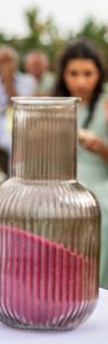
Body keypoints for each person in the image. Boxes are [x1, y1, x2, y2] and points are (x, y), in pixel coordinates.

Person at [54, 39, 108, 288]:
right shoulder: (54, 105)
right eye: (73, 74)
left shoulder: (106, 103)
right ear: (63, 74)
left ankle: (92, 287)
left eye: (88, 74)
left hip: (99, 181)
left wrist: (101, 148)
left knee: (100, 209)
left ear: (99, 73)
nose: (81, 82)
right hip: (58, 182)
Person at [0, 44, 37, 158]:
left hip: (24, 123)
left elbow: (19, 106)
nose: (5, 64)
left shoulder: (28, 80)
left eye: (8, 60)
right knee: (15, 143)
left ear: (16, 61)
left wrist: (9, 84)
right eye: (1, 61)